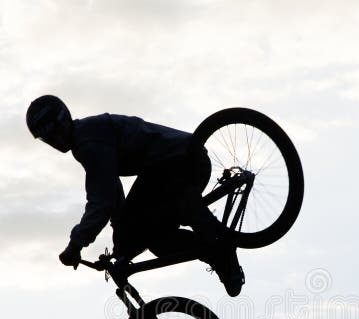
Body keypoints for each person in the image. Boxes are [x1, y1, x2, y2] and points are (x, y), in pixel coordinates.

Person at [25, 94, 245, 297]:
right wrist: (120, 240)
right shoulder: (85, 141)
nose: (53, 141)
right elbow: (111, 190)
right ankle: (217, 253)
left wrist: (76, 244)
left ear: (63, 121)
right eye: (46, 139)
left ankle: (217, 237)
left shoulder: (89, 142)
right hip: (171, 168)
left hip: (179, 162)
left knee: (136, 228)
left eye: (53, 133)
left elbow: (102, 201)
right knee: (157, 242)